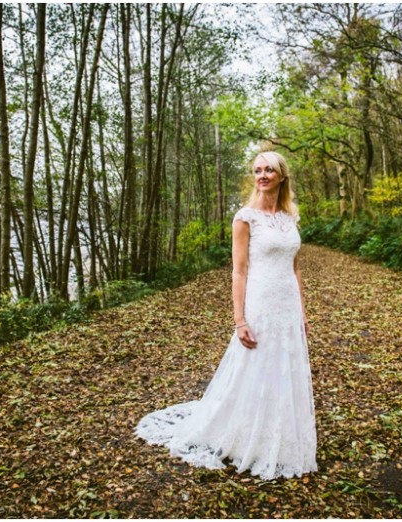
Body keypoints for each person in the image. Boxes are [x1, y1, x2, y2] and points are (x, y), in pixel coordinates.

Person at [135, 151, 317, 480]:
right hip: (260, 303)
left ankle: (279, 435)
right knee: (255, 368)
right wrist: (240, 320)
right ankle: (247, 435)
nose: (262, 175)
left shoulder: (291, 216)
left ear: (282, 176)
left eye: (269, 170)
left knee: (283, 368)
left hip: (287, 305)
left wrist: (302, 310)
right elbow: (239, 272)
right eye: (257, 170)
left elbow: (296, 266)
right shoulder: (245, 218)